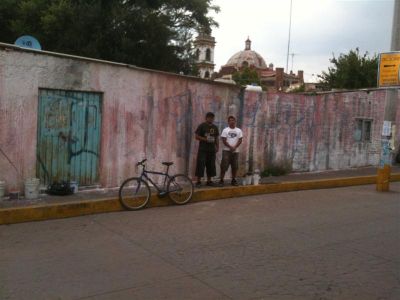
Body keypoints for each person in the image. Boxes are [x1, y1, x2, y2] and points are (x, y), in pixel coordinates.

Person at [195, 112, 219, 187]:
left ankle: (209, 181)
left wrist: (217, 146)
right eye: (209, 117)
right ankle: (198, 181)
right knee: (200, 165)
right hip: (203, 149)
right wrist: (205, 139)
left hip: (212, 150)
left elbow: (216, 138)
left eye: (212, 118)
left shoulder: (215, 127)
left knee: (211, 165)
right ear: (206, 118)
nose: (211, 119)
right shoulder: (202, 126)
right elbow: (196, 136)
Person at [219, 116, 243, 186]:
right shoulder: (225, 130)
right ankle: (221, 180)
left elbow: (240, 140)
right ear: (228, 122)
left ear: (235, 121)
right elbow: (224, 140)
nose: (232, 121)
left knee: (235, 166)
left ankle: (233, 180)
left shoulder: (239, 130)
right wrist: (230, 147)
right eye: (230, 120)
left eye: (233, 120)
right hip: (226, 151)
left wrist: (235, 147)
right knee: (223, 166)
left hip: (235, 151)